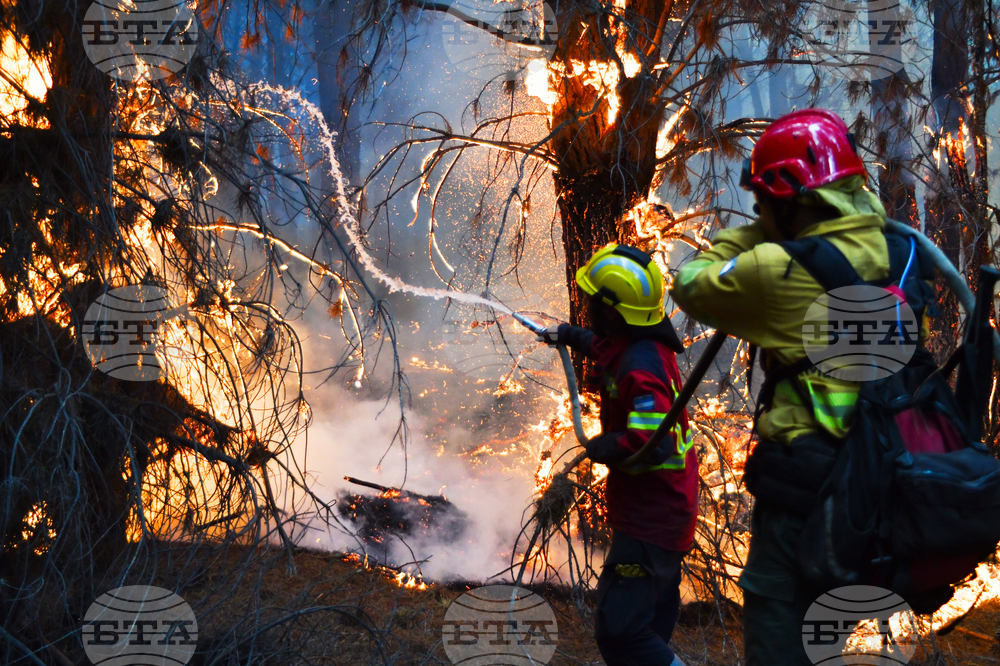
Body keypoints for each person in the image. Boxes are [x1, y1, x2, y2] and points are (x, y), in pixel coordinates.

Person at [668, 108, 915, 665]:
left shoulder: (778, 267)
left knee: (780, 636)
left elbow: (691, 283)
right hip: (875, 485)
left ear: (786, 199)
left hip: (803, 492)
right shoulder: (898, 252)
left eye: (764, 200)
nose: (758, 210)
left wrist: (761, 231)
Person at [540, 244, 697, 666]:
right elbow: (605, 346)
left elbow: (654, 442)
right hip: (665, 515)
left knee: (620, 632)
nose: (588, 306)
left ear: (611, 310)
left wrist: (612, 446)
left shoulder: (640, 368)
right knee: (647, 628)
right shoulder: (637, 344)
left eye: (593, 301)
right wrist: (570, 335)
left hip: (651, 522)